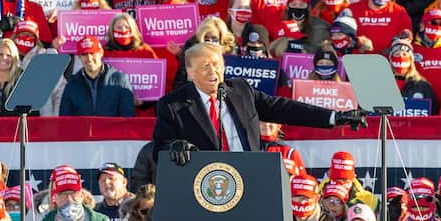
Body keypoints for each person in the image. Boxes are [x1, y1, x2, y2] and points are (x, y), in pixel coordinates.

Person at [144, 42, 363, 170]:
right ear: (190, 73)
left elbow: (284, 108)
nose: (213, 72)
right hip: (207, 187)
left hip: (250, 179)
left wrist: (334, 117)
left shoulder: (240, 90)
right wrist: (174, 147)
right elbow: (160, 149)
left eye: (217, 64)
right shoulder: (173, 105)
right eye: (205, 67)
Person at [59, 36, 135, 118]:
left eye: (92, 53)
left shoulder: (120, 80)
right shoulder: (72, 84)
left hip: (112, 130)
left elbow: (128, 117)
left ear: (101, 53)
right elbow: (65, 120)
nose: (89, 59)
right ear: (79, 57)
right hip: (83, 131)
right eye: (84, 54)